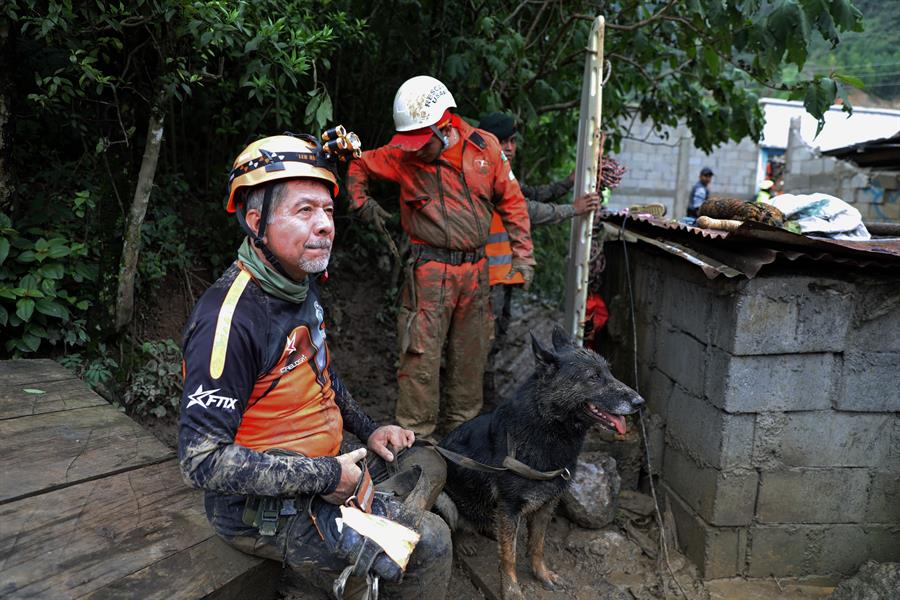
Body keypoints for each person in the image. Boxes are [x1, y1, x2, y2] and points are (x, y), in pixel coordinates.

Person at [178, 132, 451, 600]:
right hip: (255, 507)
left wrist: (368, 430)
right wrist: (327, 476)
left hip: (318, 468)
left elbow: (320, 373)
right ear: (255, 220)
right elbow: (201, 461)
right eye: (304, 211)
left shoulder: (296, 284)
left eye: (327, 211)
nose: (324, 224)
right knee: (430, 544)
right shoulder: (230, 318)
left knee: (431, 466)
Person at [347, 76, 535, 440]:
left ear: (444, 125)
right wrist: (361, 202)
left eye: (422, 142)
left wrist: (522, 256)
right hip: (429, 272)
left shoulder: (486, 149)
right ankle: (415, 444)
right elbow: (359, 165)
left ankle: (462, 442)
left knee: (470, 359)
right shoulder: (402, 153)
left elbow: (514, 202)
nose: (415, 150)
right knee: (419, 357)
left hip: (475, 272)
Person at [476, 112, 601, 406]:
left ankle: (483, 403)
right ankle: (477, 406)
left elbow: (529, 194)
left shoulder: (498, 173)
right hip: (484, 279)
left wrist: (568, 182)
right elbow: (527, 209)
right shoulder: (481, 172)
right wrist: (573, 209)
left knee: (494, 342)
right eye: (501, 141)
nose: (508, 147)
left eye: (512, 141)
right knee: (485, 345)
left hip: (499, 277)